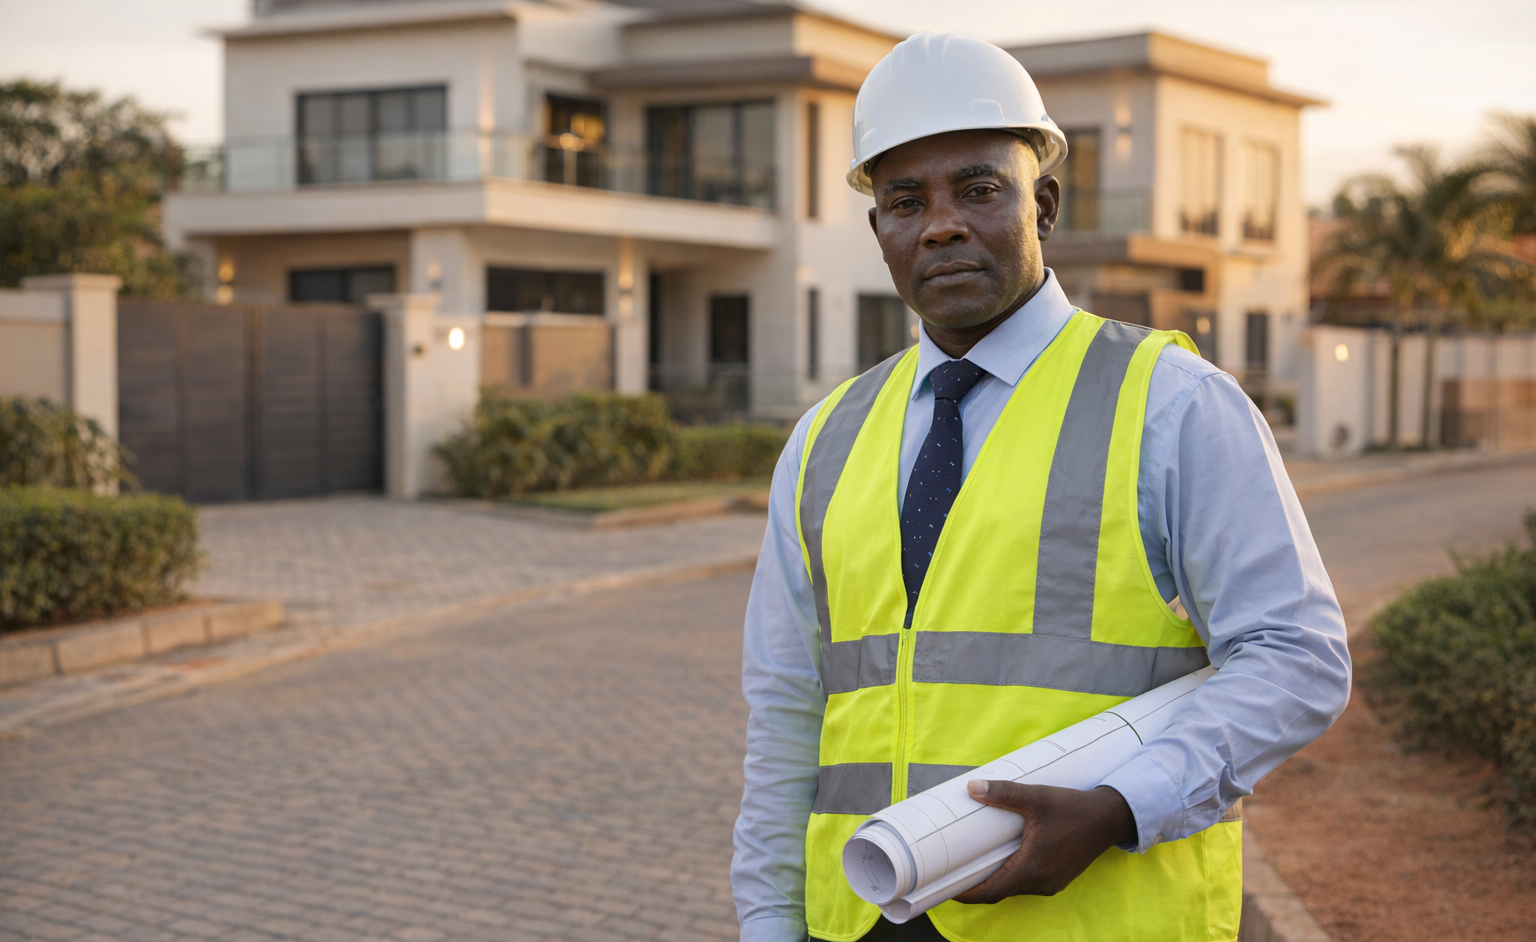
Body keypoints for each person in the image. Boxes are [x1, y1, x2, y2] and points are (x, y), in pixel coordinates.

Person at [730, 31, 1351, 942]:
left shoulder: (1173, 406)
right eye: (905, 201)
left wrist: (1120, 805)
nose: (939, 224)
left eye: (978, 190)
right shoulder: (824, 439)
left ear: (1044, 204)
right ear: (880, 232)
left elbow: (1297, 659)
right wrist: (770, 925)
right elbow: (786, 715)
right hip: (859, 920)